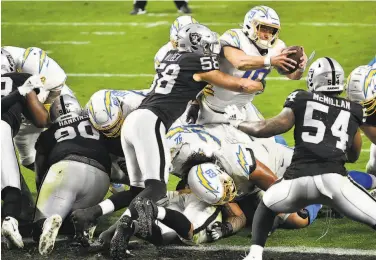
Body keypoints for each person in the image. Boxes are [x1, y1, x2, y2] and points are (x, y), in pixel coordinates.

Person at [110, 23, 263, 259]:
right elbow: (239, 84)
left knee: (138, 191)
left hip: (133, 121)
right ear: (196, 45)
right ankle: (124, 228)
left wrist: (193, 102)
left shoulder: (171, 55)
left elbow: (186, 87)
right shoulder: (197, 60)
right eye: (206, 45)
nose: (211, 50)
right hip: (151, 121)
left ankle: (102, 232)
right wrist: (259, 82)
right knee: (156, 188)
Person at [224, 57, 376, 260]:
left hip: (297, 180)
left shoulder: (301, 98)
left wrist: (239, 124)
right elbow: (354, 155)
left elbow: (266, 128)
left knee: (267, 204)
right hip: (335, 182)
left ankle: (255, 254)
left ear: (313, 80)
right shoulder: (354, 110)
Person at [33, 95, 112, 255]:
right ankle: (84, 222)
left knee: (39, 228)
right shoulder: (96, 123)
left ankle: (48, 222)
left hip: (66, 169)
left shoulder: (48, 133)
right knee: (73, 215)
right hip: (101, 178)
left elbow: (39, 171)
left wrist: (42, 201)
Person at [1, 49, 49, 249]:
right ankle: (9, 223)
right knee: (12, 191)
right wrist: (23, 93)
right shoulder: (21, 79)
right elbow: (41, 120)